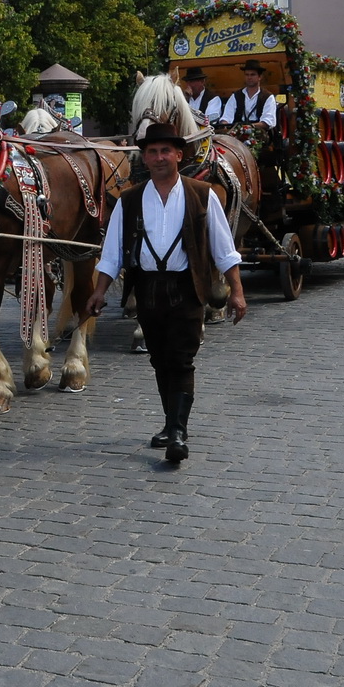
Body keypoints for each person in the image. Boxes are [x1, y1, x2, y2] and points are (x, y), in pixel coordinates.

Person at [85, 120, 247, 466]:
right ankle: (170, 423)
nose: (159, 158)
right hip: (147, 287)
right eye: (152, 152)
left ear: (179, 154)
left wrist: (237, 291)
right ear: (145, 157)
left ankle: (177, 431)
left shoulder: (202, 195)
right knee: (159, 358)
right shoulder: (129, 201)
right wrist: (99, 292)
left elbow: (224, 247)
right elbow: (112, 253)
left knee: (182, 358)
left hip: (186, 287)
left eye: (165, 151)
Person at [214, 59, 278, 129]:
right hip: (238, 133)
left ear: (260, 77)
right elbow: (226, 117)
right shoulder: (236, 96)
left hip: (260, 133)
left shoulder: (268, 97)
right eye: (247, 75)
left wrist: (248, 127)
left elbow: (267, 122)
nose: (249, 77)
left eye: (252, 75)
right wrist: (224, 125)